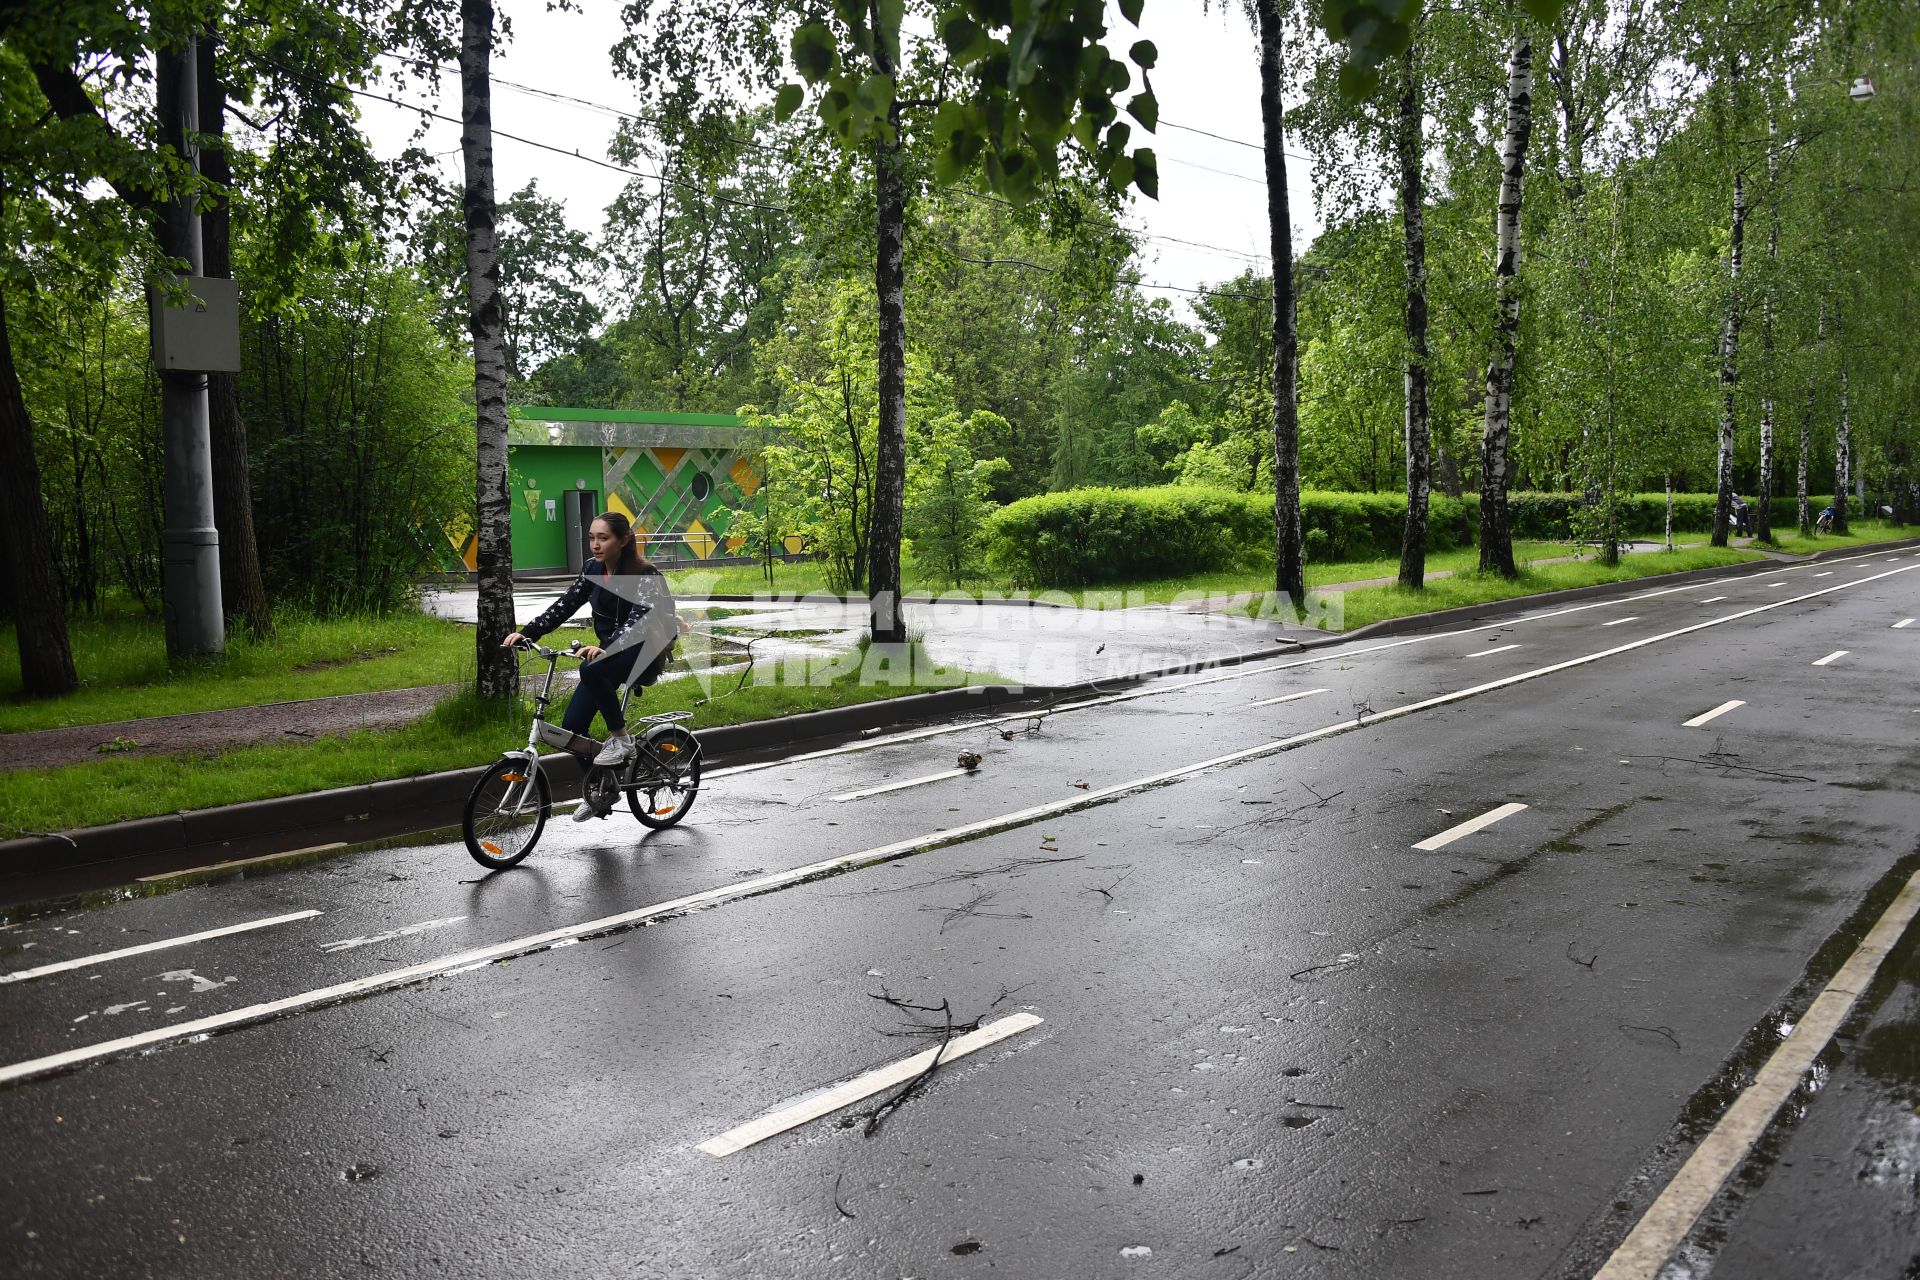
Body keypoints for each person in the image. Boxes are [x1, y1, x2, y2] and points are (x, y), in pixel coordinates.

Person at [502, 512, 680, 821]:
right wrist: (527, 633)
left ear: (623, 541)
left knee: (591, 669)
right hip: (609, 655)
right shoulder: (592, 569)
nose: (595, 545)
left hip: (642, 653)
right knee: (572, 726)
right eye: (592, 538)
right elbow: (565, 604)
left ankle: (623, 741)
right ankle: (600, 789)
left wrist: (606, 647)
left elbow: (639, 620)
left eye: (603, 538)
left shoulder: (644, 575)